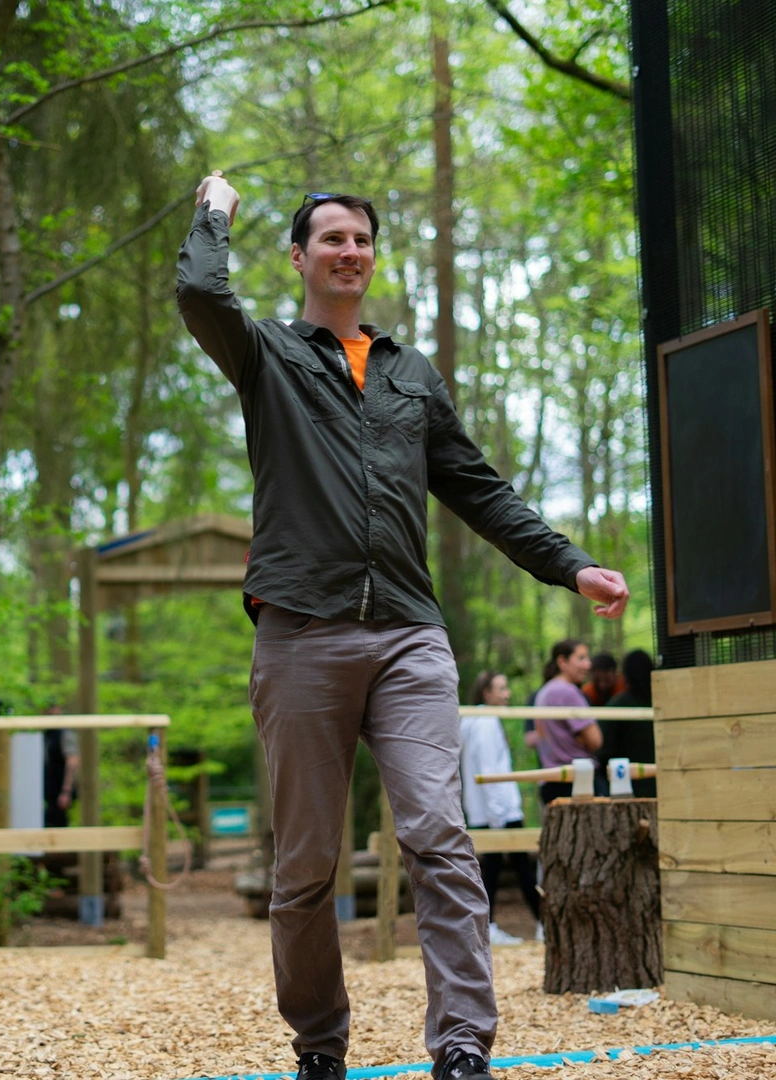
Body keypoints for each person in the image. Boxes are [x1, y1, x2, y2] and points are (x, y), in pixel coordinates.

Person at [176, 176, 629, 1080]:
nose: (350, 252)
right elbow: (199, 292)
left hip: (410, 635)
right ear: (300, 257)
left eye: (362, 240)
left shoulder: (408, 374)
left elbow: (479, 488)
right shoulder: (266, 355)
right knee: (306, 862)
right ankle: (319, 1044)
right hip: (302, 634)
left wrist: (568, 563)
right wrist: (214, 211)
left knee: (437, 834)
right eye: (332, 239)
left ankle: (462, 1046)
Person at [458, 672, 541, 946]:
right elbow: (488, 770)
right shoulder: (483, 723)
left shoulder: (477, 720)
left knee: (498, 869)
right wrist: (497, 814)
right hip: (498, 811)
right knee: (512, 869)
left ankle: (495, 924)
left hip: (492, 810)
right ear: (487, 693)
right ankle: (536, 922)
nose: (507, 694)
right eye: (501, 689)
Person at [532, 640, 603, 804]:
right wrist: (581, 737)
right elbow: (595, 740)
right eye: (581, 658)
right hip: (579, 781)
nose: (588, 664)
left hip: (551, 781)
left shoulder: (544, 692)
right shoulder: (568, 692)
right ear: (562, 662)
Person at [602, 649, 657, 798]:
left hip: (627, 791)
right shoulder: (665, 702)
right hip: (662, 785)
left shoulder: (618, 706)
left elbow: (603, 751)